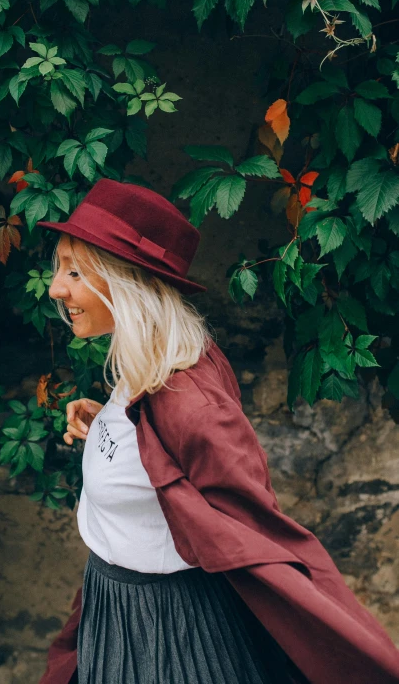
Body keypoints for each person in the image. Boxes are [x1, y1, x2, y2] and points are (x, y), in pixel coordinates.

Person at [37, 178, 399, 684]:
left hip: (165, 637)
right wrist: (109, 427)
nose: (56, 287)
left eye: (75, 271)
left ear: (128, 283)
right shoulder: (149, 365)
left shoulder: (190, 401)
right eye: (59, 268)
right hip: (115, 611)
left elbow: (256, 530)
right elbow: (159, 456)